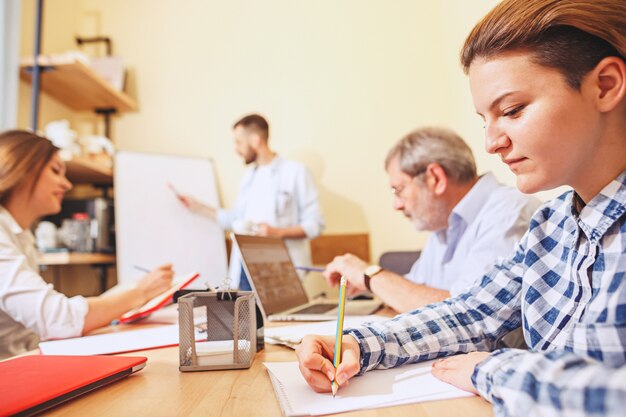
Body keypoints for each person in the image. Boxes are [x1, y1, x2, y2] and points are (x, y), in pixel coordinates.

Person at [295, 0, 626, 415]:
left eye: (512, 110)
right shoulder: (552, 225)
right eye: (484, 121)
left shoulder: (514, 213)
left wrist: (492, 370)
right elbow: (475, 311)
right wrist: (361, 344)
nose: (491, 143)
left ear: (606, 85)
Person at [323, 127, 540, 313]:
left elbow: (469, 314)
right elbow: (417, 290)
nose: (396, 205)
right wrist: (372, 285)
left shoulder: (509, 212)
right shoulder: (444, 225)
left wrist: (370, 275)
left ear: (435, 178)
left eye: (399, 190)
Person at [0, 130, 174, 359]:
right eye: (55, 171)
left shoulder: (22, 236)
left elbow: (40, 327)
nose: (67, 184)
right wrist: (141, 292)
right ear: (21, 169)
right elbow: (57, 320)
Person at [179, 114, 324, 290]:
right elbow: (235, 220)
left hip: (279, 271)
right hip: (245, 270)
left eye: (238, 142)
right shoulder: (249, 176)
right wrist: (198, 207)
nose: (236, 149)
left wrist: (276, 232)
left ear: (255, 140)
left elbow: (315, 224)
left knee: (277, 317)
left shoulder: (295, 173)